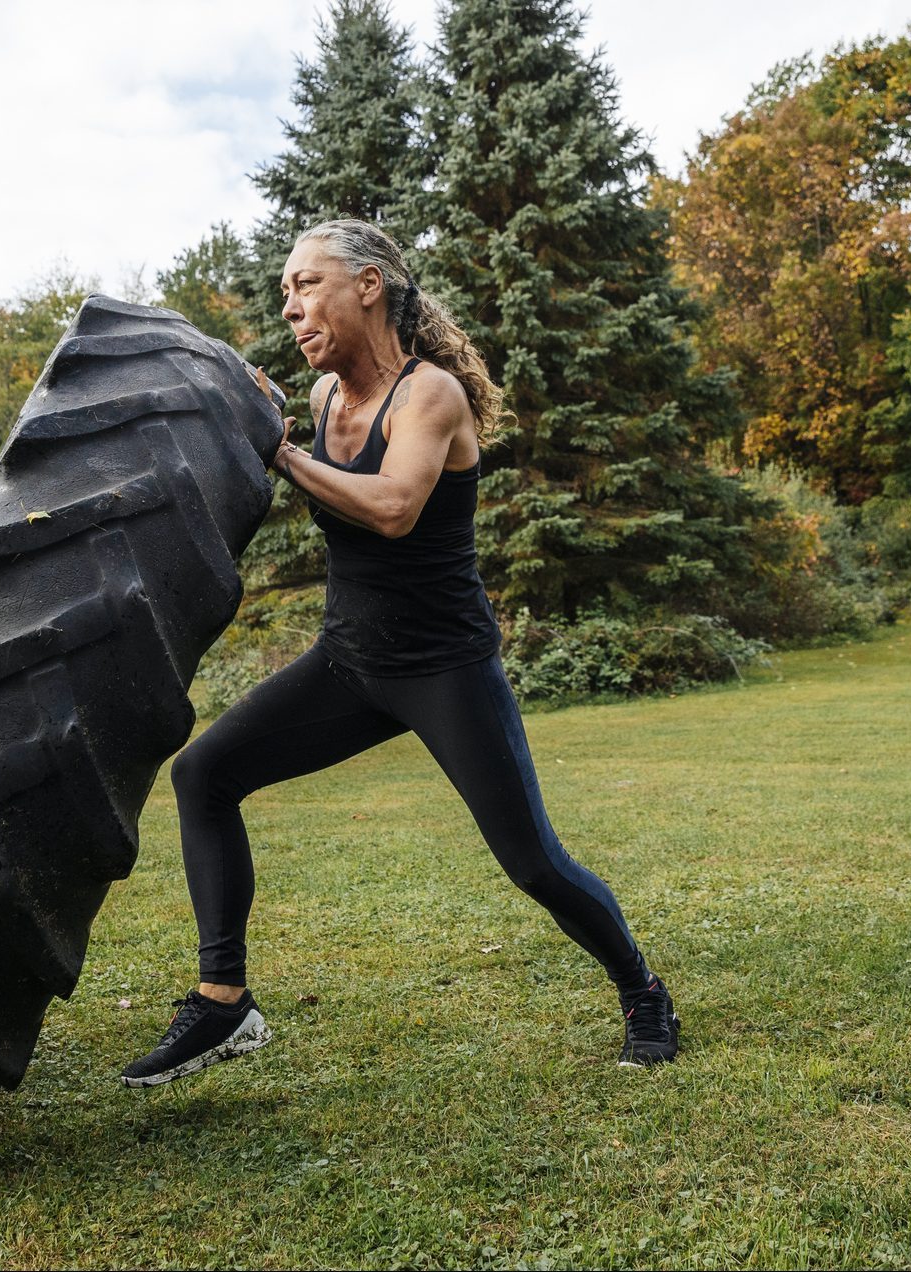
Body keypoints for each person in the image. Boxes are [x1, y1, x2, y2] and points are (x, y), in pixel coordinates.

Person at [119, 219, 677, 1089]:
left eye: (306, 284)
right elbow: (298, 485)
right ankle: (223, 1000)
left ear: (369, 284)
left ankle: (642, 988)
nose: (292, 305)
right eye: (283, 293)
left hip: (444, 670)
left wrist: (283, 454)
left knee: (532, 862)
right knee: (205, 775)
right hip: (348, 665)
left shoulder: (430, 398)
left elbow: (390, 507)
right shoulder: (317, 405)